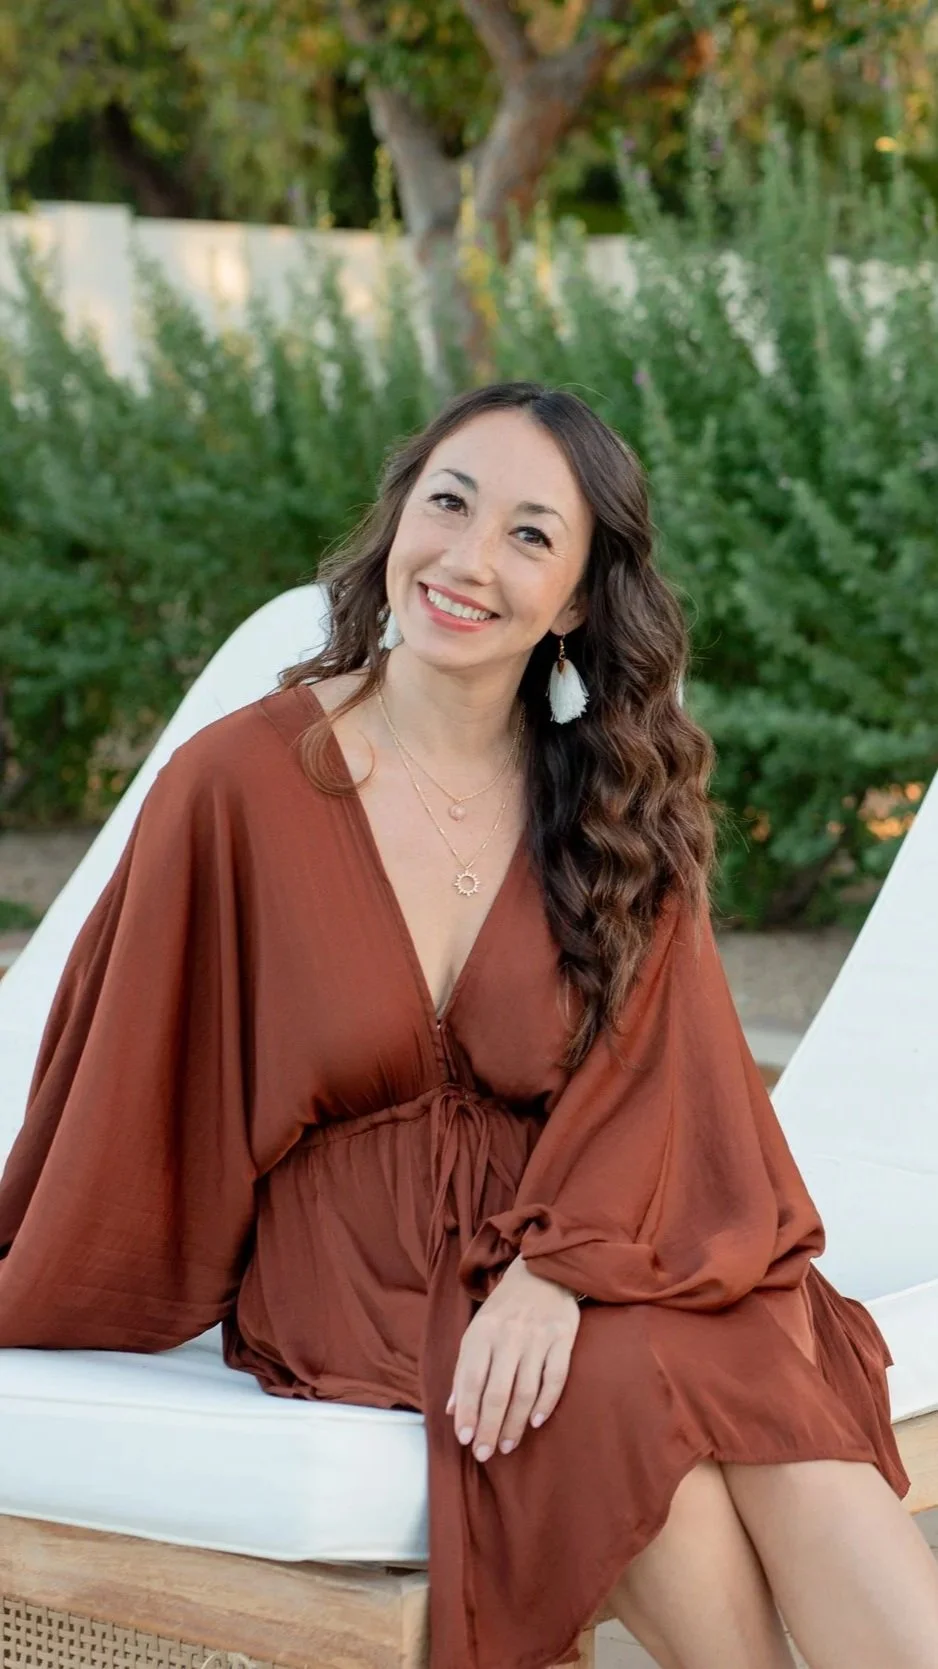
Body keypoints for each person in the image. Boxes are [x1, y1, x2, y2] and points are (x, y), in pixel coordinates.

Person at [0, 379, 935, 1669]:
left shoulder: (612, 797)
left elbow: (673, 1077)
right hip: (364, 1262)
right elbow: (128, 1083)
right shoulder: (236, 785)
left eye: (531, 534)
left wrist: (562, 1267)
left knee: (756, 1353)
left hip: (587, 1226)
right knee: (649, 1378)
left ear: (579, 600)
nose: (469, 559)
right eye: (449, 503)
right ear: (396, 520)